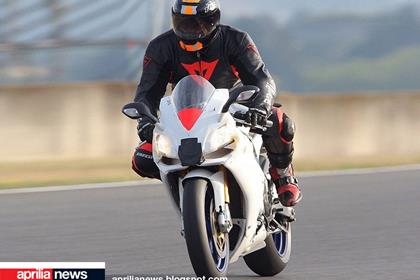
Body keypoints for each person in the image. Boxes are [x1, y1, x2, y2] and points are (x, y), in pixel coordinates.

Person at [132, 0, 302, 207]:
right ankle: (186, 190)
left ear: (213, 20)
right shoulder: (161, 47)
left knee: (279, 120)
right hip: (187, 115)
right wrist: (145, 120)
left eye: (197, 23)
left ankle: (283, 174)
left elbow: (262, 79)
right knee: (142, 158)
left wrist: (260, 107)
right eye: (183, 22)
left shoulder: (235, 39)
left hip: (234, 107)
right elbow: (147, 93)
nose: (190, 30)